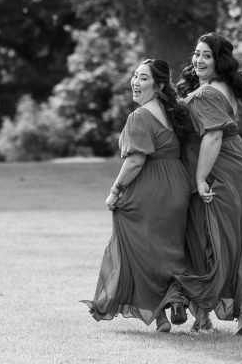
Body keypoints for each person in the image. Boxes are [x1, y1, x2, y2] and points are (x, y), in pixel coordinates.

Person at [82, 59, 195, 332]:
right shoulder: (173, 113)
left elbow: (135, 161)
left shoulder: (140, 116)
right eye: (134, 76)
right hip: (177, 187)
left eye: (143, 78)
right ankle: (177, 297)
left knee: (139, 249)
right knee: (170, 247)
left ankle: (161, 318)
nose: (135, 82)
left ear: (158, 86)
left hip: (151, 189)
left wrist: (115, 191)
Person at [171, 33, 242, 335]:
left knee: (208, 239)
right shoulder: (218, 87)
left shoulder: (208, 93)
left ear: (219, 60)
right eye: (196, 54)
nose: (198, 60)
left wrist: (199, 177)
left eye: (206, 55)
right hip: (238, 168)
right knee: (228, 241)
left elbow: (213, 136)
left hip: (222, 171)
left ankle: (207, 315)